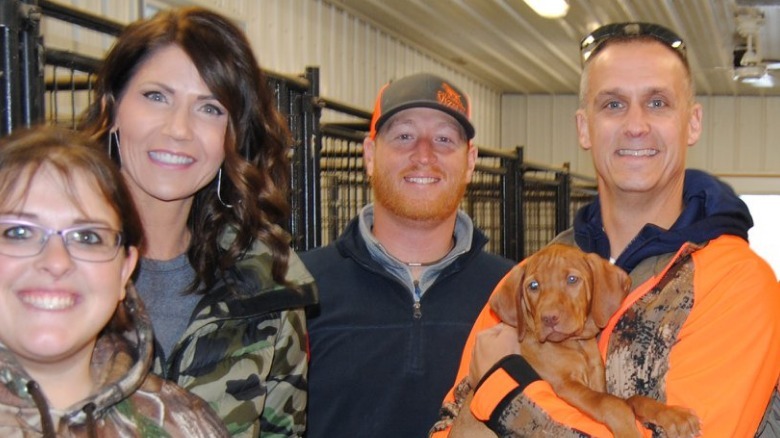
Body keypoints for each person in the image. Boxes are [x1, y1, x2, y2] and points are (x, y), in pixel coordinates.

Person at [430, 22, 780, 437]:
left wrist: (507, 392)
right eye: (613, 104)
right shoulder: (530, 278)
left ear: (692, 122)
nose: (635, 125)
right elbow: (449, 425)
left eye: (657, 103)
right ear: (584, 128)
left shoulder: (737, 282)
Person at [80, 7, 317, 437]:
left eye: (209, 108)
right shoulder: (48, 269)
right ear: (111, 109)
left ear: (233, 135)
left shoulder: (268, 283)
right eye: (156, 96)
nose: (179, 129)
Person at [301, 72, 515, 438]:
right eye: (404, 136)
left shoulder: (510, 293)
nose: (424, 155)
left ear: (469, 162)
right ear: (370, 155)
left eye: (444, 139)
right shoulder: (301, 287)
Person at [0, 126, 229, 437]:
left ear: (125, 270)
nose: (56, 261)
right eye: (19, 232)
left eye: (87, 237)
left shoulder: (186, 426)